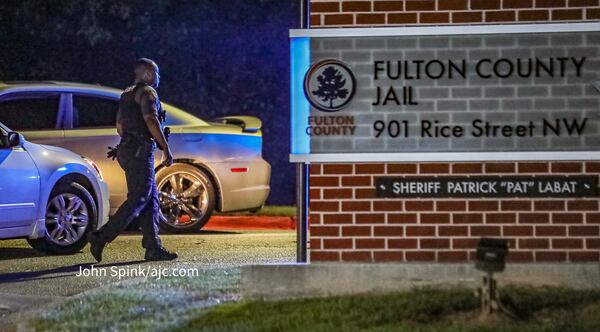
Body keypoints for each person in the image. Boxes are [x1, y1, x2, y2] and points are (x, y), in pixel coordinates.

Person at [88, 58, 177, 262]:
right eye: (156, 73)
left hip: (126, 151)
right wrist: (165, 147)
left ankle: (153, 247)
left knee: (150, 199)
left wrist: (130, 140)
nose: (158, 77)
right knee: (140, 197)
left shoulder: (126, 93)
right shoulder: (148, 92)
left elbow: (119, 126)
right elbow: (151, 119)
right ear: (146, 73)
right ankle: (101, 237)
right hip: (139, 151)